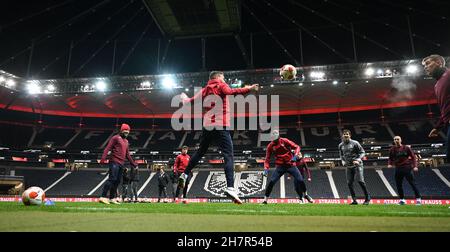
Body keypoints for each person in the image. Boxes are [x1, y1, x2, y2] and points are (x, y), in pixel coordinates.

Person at [178, 71, 259, 204]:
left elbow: (189, 102)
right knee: (228, 155)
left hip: (207, 126)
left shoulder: (204, 90)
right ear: (217, 77)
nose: (224, 79)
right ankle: (231, 188)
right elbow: (232, 92)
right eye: (223, 77)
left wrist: (184, 98)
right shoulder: (220, 85)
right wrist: (249, 89)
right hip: (221, 125)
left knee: (200, 152)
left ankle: (185, 173)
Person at [262, 130, 308, 204]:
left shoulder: (284, 141)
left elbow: (297, 147)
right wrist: (266, 169)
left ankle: (306, 195)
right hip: (280, 166)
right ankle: (265, 200)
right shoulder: (270, 146)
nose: (275, 140)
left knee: (300, 180)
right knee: (271, 182)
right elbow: (267, 159)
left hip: (290, 165)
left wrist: (295, 156)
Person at [99, 123, 138, 204]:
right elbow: (107, 148)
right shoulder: (115, 138)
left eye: (128, 132)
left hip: (121, 163)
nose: (126, 134)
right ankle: (102, 197)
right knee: (112, 179)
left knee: (117, 181)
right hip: (114, 161)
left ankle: (112, 198)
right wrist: (103, 158)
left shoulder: (126, 141)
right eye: (125, 132)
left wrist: (133, 163)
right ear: (121, 131)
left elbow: (127, 154)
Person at [423, 55, 450, 163]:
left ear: (439, 62)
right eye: (424, 66)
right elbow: (445, 108)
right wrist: (438, 126)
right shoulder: (437, 85)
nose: (425, 67)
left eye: (428, 63)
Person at [338, 129, 371, 205]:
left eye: (347, 134)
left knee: (360, 181)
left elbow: (363, 152)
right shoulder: (340, 145)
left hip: (357, 165)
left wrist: (358, 159)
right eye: (344, 134)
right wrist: (342, 161)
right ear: (342, 135)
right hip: (348, 166)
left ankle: (367, 198)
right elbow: (341, 155)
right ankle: (354, 200)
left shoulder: (355, 143)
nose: (346, 135)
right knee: (349, 183)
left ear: (350, 135)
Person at [388, 136, 422, 205]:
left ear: (401, 140)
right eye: (395, 139)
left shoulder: (406, 148)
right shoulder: (392, 149)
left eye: (398, 139)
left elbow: (413, 157)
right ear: (394, 141)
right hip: (398, 168)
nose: (396, 140)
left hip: (407, 168)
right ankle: (402, 200)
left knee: (412, 184)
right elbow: (390, 158)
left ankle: (418, 199)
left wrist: (415, 166)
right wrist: (389, 164)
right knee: (398, 185)